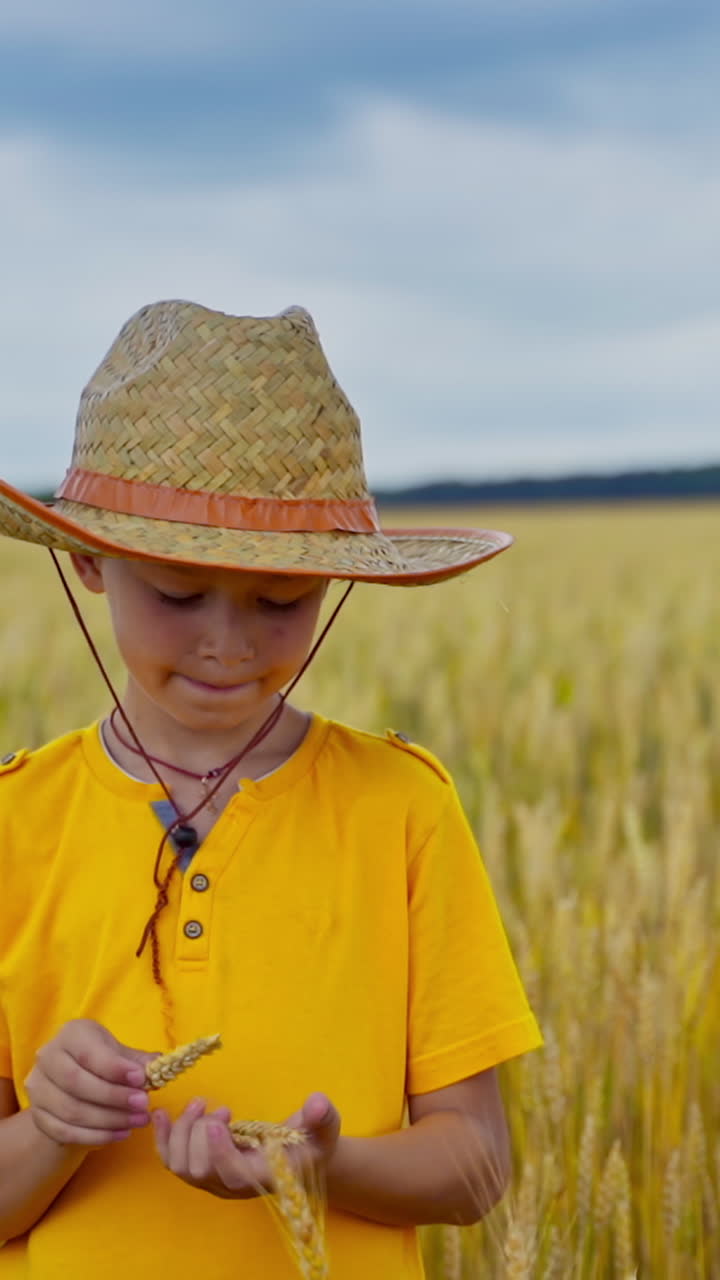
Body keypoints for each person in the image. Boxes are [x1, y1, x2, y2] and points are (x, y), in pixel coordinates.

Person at [0, 300, 541, 1279]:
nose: (229, 641)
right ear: (86, 558)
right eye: (175, 592)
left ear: (332, 587)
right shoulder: (12, 822)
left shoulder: (401, 805)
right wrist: (52, 1124)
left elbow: (476, 1164)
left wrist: (322, 1164)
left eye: (281, 601)